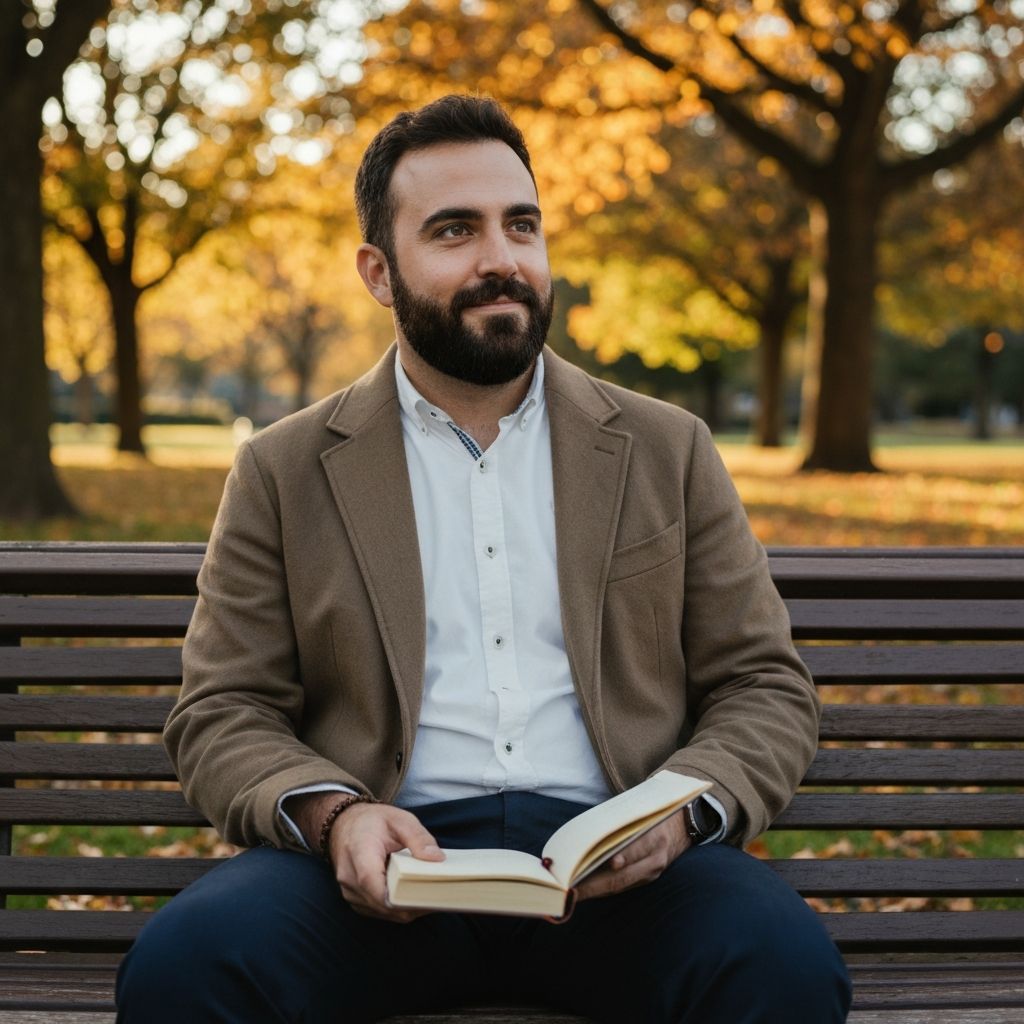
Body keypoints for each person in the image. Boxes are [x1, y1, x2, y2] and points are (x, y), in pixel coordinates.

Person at [116, 95, 852, 1023]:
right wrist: (336, 817)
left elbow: (764, 685)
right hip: (382, 876)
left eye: (522, 225)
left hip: (620, 870)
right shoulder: (284, 469)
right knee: (186, 969)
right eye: (455, 230)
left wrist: (680, 810)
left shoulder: (668, 448)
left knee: (782, 968)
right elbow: (223, 710)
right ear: (379, 274)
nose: (501, 259)